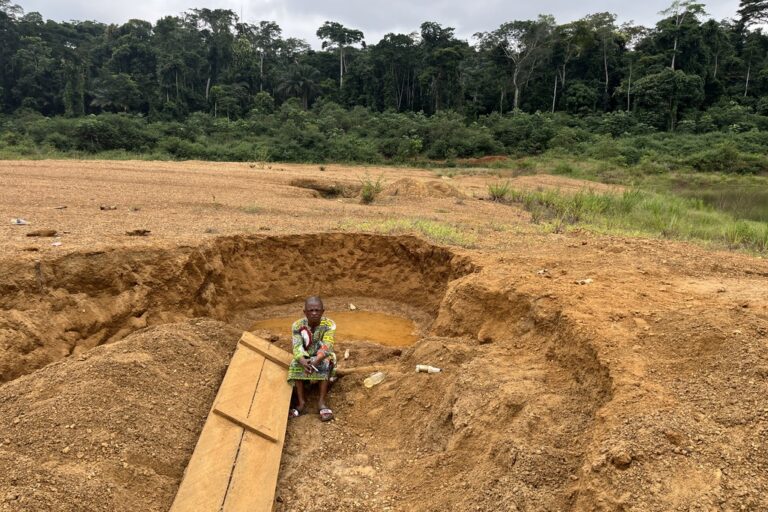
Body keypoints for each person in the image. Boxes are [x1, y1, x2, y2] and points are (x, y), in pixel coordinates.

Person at [288, 296, 336, 421]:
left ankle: (321, 402)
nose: (314, 313)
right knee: (294, 363)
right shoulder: (297, 325)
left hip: (321, 356)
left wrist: (317, 359)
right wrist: (304, 361)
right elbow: (297, 346)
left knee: (327, 362)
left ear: (322, 311)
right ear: (305, 312)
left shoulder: (329, 325)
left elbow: (328, 345)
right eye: (311, 310)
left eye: (317, 310)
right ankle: (301, 402)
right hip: (305, 358)